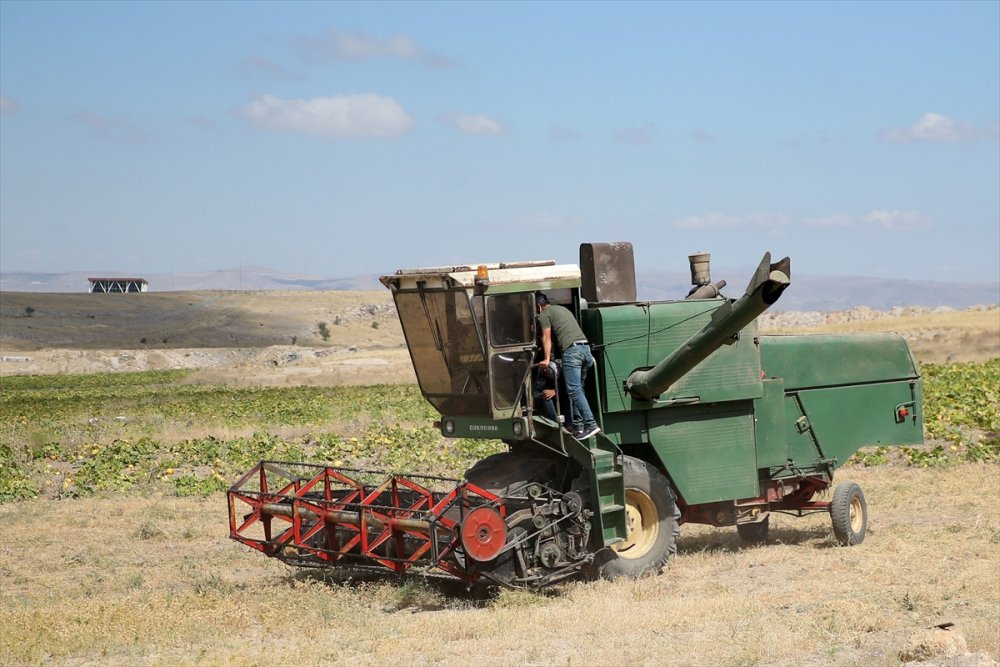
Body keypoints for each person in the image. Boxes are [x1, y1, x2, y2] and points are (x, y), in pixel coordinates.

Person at [535, 293, 600, 439]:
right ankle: (579, 425)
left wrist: (546, 359)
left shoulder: (544, 314)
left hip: (572, 352)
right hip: (586, 350)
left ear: (538, 306)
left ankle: (591, 424)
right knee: (578, 390)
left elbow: (546, 337)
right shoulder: (562, 310)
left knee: (574, 390)